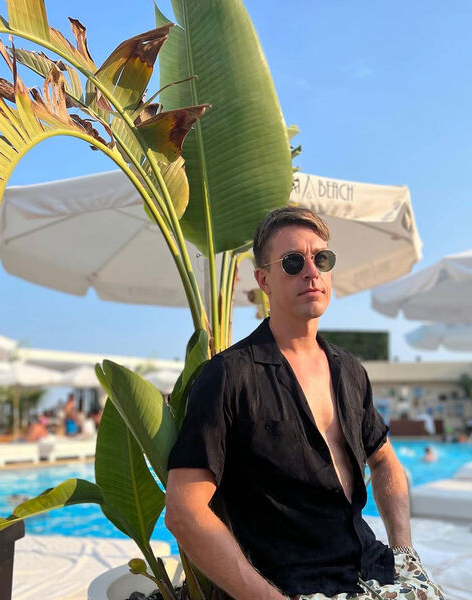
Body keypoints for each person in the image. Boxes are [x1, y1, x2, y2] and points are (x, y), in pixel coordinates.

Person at [165, 207, 443, 600]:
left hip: (371, 566)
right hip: (291, 587)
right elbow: (184, 511)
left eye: (321, 259)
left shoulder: (349, 370)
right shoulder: (228, 376)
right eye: (293, 262)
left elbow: (384, 461)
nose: (311, 271)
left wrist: (404, 553)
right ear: (264, 280)